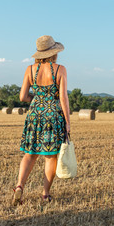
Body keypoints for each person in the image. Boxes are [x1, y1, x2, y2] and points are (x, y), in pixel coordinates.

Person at [12, 35, 71, 206]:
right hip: (53, 115)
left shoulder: (30, 69)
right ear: (54, 53)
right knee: (51, 157)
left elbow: (22, 96)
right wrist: (67, 121)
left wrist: (37, 100)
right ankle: (45, 194)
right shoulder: (60, 69)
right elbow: (63, 98)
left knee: (30, 154)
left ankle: (19, 187)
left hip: (35, 115)